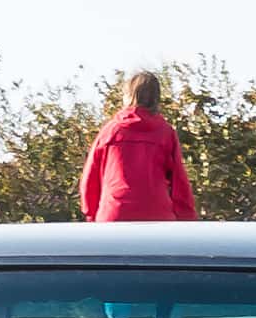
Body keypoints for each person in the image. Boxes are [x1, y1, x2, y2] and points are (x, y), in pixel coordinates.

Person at [80, 72, 196, 223]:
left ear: (128, 94)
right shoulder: (165, 133)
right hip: (157, 216)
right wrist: (187, 219)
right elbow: (179, 184)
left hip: (114, 214)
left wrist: (92, 216)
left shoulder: (111, 131)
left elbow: (90, 179)